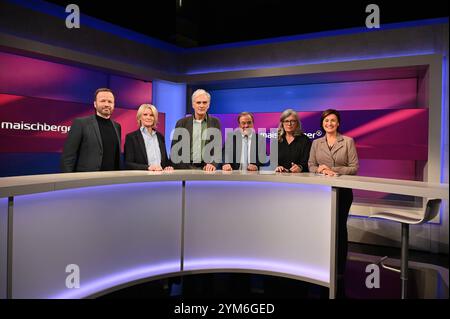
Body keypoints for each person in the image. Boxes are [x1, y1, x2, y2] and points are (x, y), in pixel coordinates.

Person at [308, 108, 359, 298]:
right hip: (320, 193)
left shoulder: (347, 142)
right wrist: (320, 169)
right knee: (322, 229)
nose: (329, 124)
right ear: (322, 123)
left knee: (339, 228)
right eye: (326, 121)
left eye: (332, 121)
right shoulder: (316, 143)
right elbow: (311, 165)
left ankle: (339, 269)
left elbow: (354, 168)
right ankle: (322, 264)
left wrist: (332, 169)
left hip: (342, 192)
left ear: (338, 123)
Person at [61, 88, 121, 172]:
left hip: (111, 180)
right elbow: (68, 157)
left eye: (110, 101)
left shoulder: (117, 126)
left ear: (114, 104)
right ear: (95, 104)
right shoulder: (81, 123)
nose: (107, 104)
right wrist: (68, 180)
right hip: (87, 180)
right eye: (103, 101)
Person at [171, 89, 221, 171]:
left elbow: (217, 147)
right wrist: (175, 166)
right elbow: (174, 148)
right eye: (198, 102)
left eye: (204, 102)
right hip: (184, 168)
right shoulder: (181, 123)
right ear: (193, 104)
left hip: (206, 168)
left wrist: (212, 164)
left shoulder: (215, 122)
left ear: (208, 104)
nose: (201, 105)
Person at [124, 104, 173, 171]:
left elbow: (165, 161)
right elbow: (128, 164)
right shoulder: (131, 137)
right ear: (140, 117)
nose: (148, 117)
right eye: (145, 114)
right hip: (143, 178)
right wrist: (147, 167)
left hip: (161, 177)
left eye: (151, 115)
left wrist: (168, 167)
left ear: (155, 118)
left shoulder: (160, 136)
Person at [275, 109, 311, 173]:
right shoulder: (277, 139)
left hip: (298, 178)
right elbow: (272, 161)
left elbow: (308, 162)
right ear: (282, 123)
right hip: (279, 176)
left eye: (293, 121)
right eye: (286, 121)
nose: (289, 124)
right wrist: (277, 166)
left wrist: (300, 167)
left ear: (297, 123)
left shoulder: (305, 140)